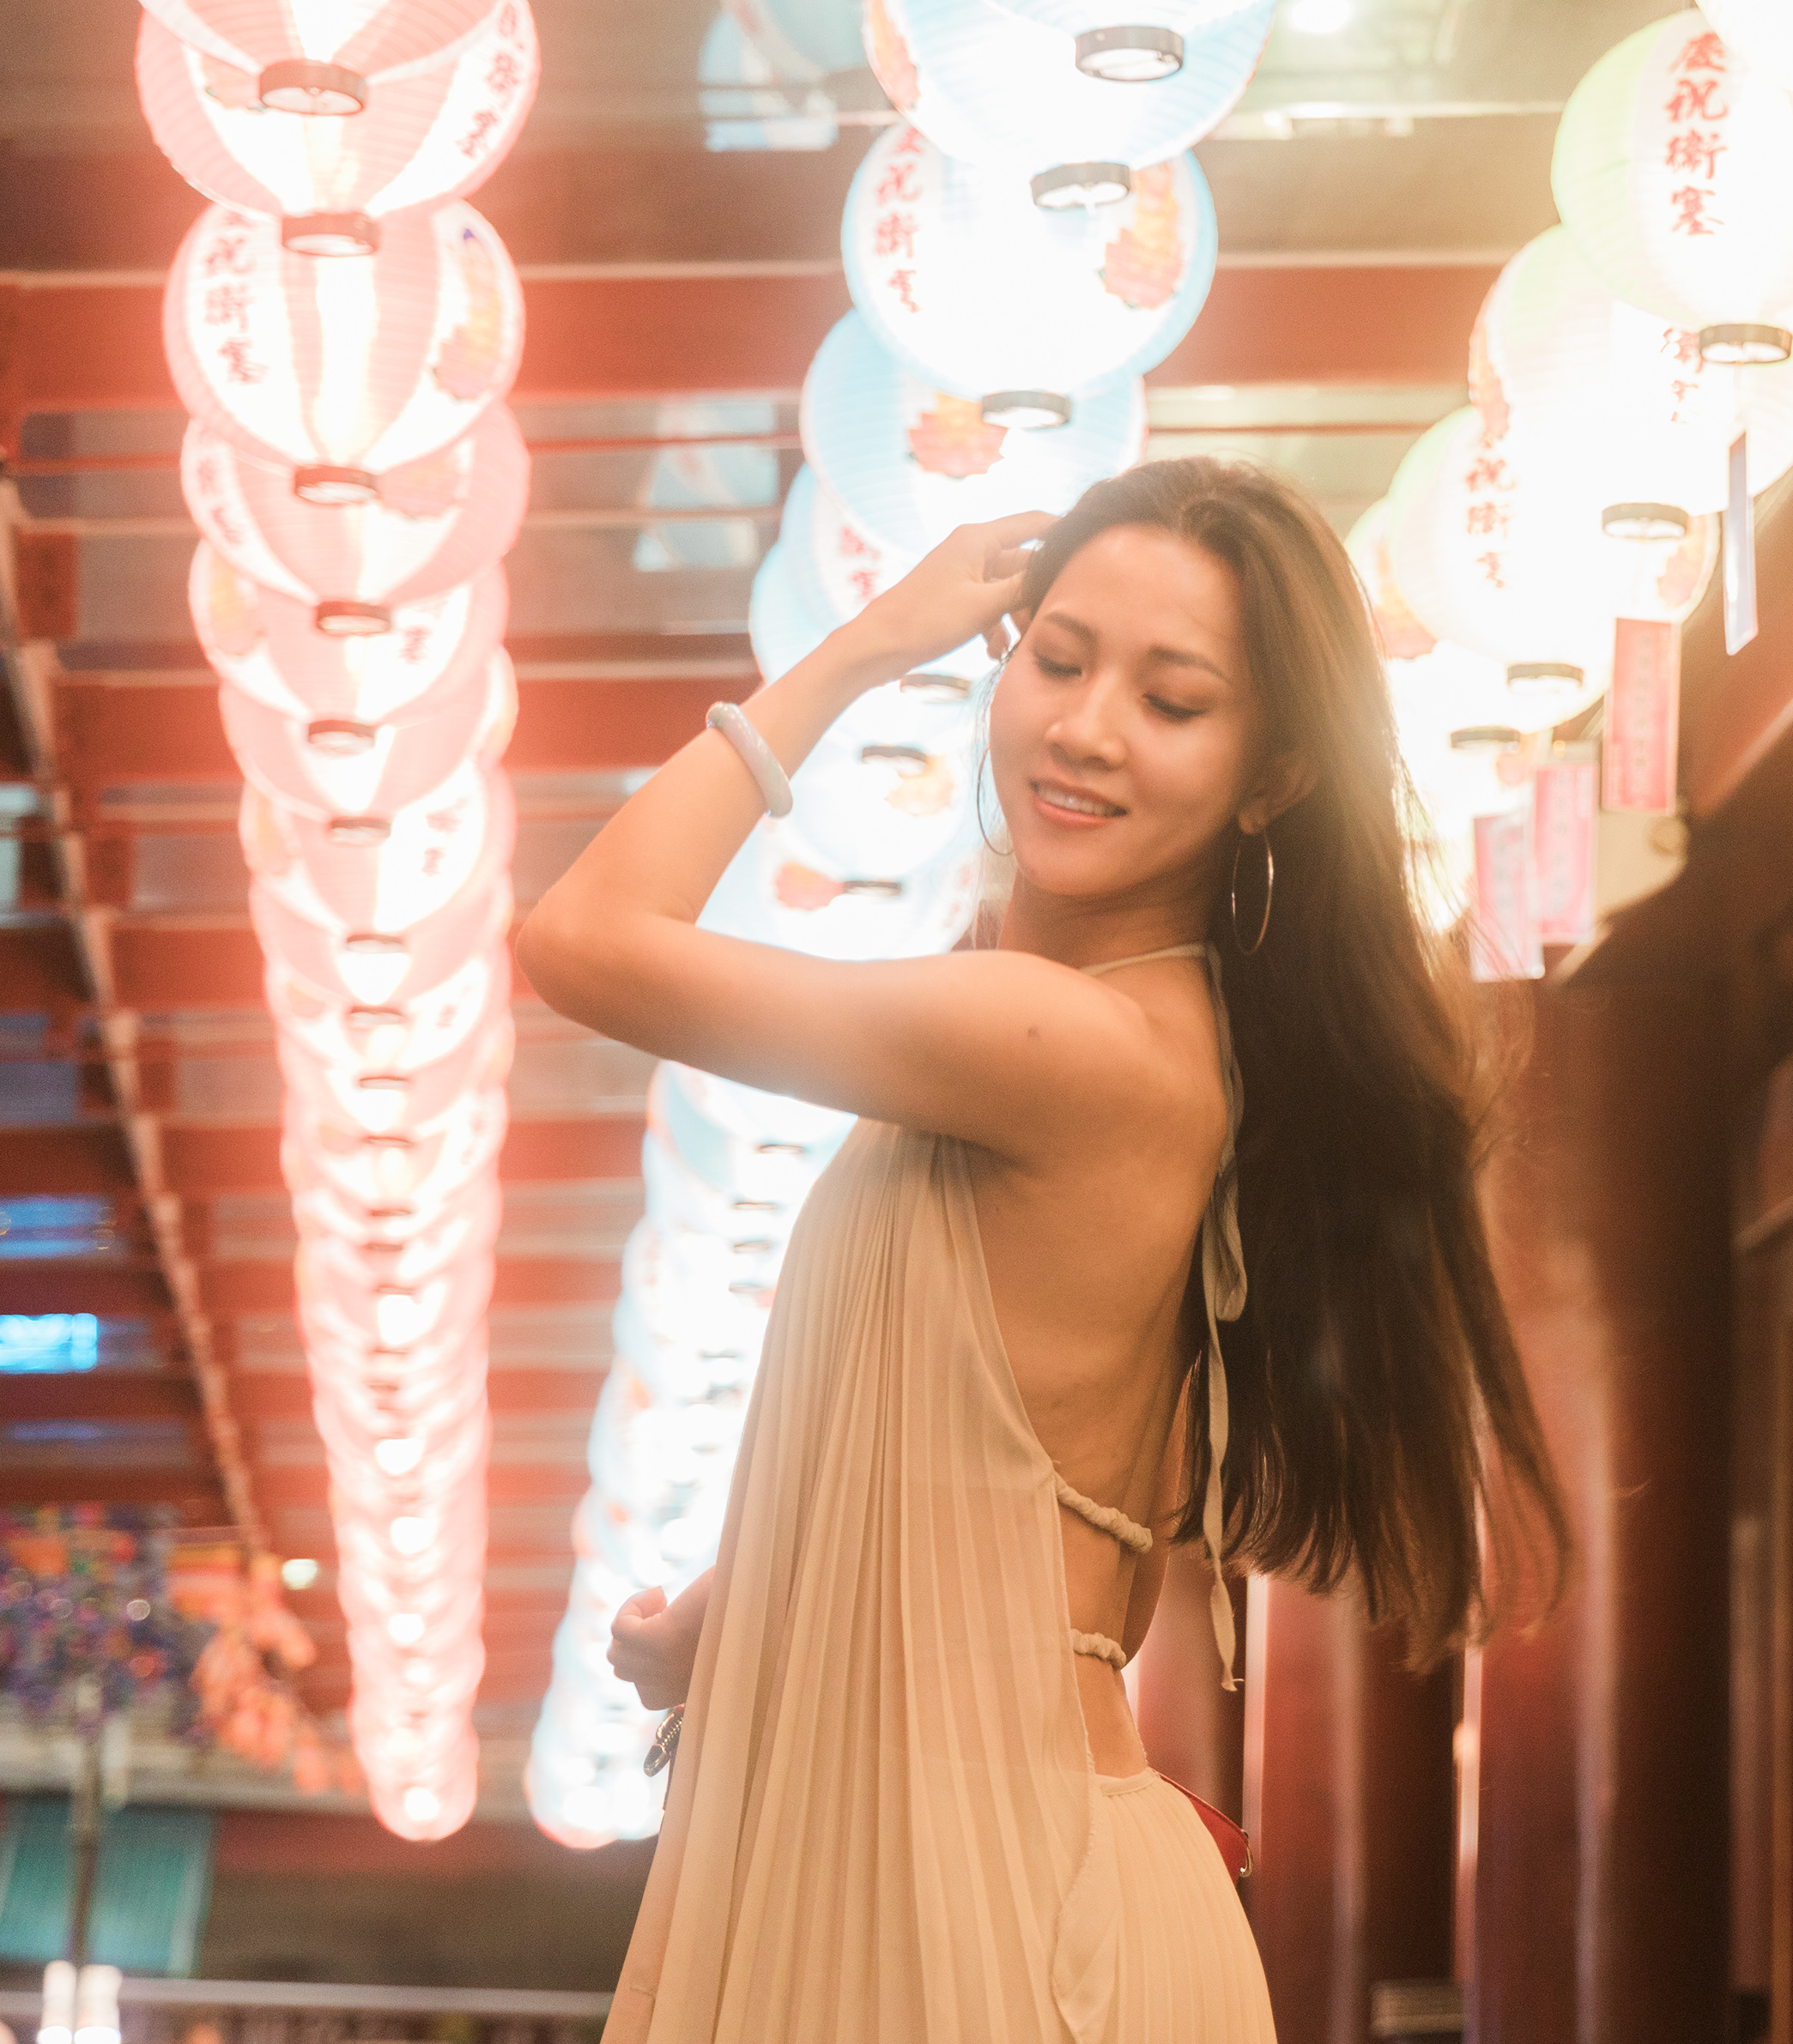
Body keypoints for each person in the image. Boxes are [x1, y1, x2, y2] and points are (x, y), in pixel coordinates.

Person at [519, 457, 1567, 2044]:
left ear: (1270, 774)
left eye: (1172, 699)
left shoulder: (1052, 1041)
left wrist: (858, 648)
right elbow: (1021, 1437)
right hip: (974, 1877)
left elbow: (583, 942)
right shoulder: (1157, 1042)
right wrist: (763, 1595)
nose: (1083, 728)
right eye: (1058, 660)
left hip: (990, 1916)